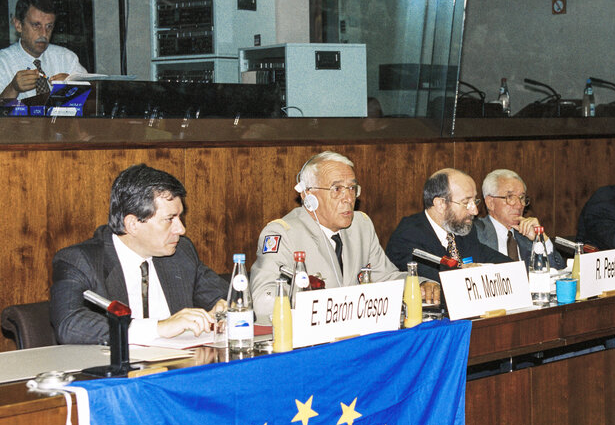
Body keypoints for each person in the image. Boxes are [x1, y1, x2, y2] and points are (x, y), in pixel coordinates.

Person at [249, 151, 440, 321]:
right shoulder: (283, 233)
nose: (348, 198)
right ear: (309, 196)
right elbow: (262, 300)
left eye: (352, 188)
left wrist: (418, 284)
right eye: (337, 189)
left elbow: (385, 276)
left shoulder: (361, 225)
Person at [50, 164, 228, 345]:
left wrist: (224, 311)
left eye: (180, 217)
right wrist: (159, 328)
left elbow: (232, 299)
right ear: (133, 224)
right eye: (170, 219)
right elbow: (69, 324)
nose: (181, 229)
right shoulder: (80, 261)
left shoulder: (181, 252)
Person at [386, 168, 511, 283]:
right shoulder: (408, 235)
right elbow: (432, 278)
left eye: (475, 201)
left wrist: (520, 270)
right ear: (440, 204)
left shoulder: (463, 229)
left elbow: (490, 257)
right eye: (466, 202)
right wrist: (464, 273)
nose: (475, 211)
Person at [0, 0, 87, 100]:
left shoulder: (67, 58)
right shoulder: (3, 62)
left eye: (49, 26)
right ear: (18, 25)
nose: (44, 34)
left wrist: (75, 88)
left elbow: (94, 102)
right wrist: (12, 89)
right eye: (36, 25)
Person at [475, 169, 566, 270]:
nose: (519, 205)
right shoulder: (475, 233)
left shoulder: (527, 236)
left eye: (522, 198)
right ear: (490, 202)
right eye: (510, 197)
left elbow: (559, 271)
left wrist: (541, 238)